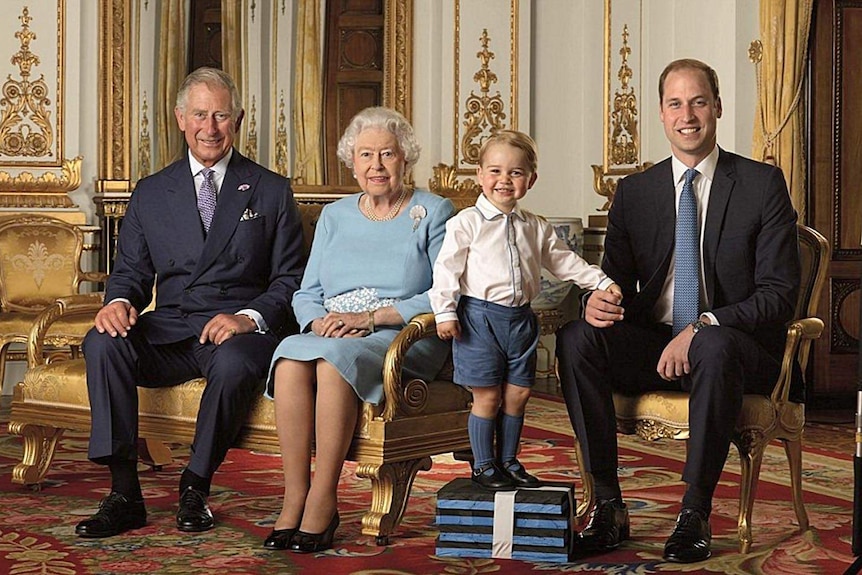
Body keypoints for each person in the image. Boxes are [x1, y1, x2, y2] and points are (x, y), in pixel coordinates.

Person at [556, 58, 801, 563]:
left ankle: (694, 513)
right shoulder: (636, 192)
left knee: (711, 343)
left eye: (698, 101)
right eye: (675, 104)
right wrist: (594, 301)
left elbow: (778, 294)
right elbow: (614, 283)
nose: (687, 114)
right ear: (661, 115)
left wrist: (705, 324)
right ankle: (607, 505)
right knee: (578, 337)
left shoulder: (761, 185)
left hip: (736, 349)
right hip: (656, 344)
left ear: (717, 107)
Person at [75, 67, 306, 538]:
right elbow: (132, 275)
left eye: (221, 115)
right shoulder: (152, 191)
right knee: (103, 341)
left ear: (238, 120)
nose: (210, 127)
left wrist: (248, 317)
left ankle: (195, 486)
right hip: (173, 326)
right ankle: (124, 493)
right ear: (180, 118)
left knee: (238, 361)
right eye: (200, 114)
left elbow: (291, 280)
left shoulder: (271, 189)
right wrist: (118, 302)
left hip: (236, 331)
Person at [262, 106, 455, 553]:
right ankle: (295, 495)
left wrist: (371, 319)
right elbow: (305, 291)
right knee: (291, 357)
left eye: (387, 154)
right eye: (365, 155)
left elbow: (445, 292)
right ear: (352, 161)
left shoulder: (432, 211)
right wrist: (317, 321)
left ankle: (324, 498)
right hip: (333, 331)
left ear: (405, 158)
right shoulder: (335, 215)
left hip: (401, 337)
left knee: (333, 365)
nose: (376, 165)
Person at [429, 130, 620, 491]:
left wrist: (600, 281)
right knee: (487, 395)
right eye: (495, 171)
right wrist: (444, 312)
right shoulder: (465, 223)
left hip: (521, 320)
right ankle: (483, 465)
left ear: (530, 180)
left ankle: (509, 460)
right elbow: (446, 270)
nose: (504, 180)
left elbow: (564, 262)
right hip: (479, 319)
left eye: (515, 173)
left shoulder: (535, 226)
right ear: (480, 176)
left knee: (518, 394)